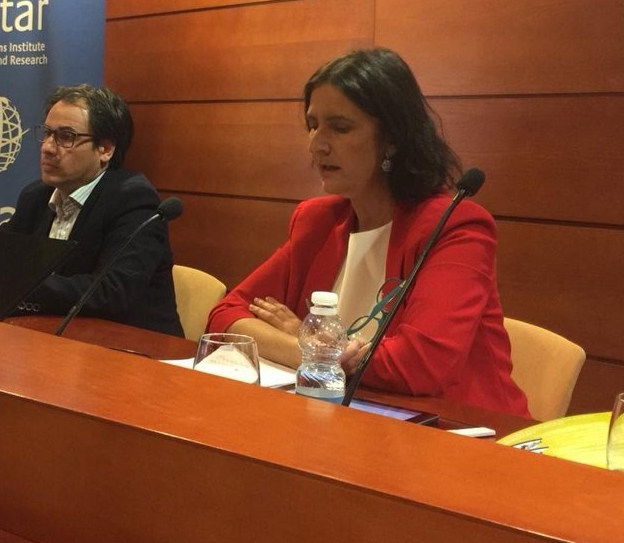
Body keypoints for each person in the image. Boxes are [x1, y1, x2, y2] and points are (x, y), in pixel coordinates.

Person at [206, 49, 528, 415]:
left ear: (392, 138)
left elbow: (418, 367)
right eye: (313, 124)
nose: (317, 144)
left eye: (340, 127)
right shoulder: (317, 221)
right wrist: (309, 349)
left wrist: (305, 338)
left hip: (456, 430)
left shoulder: (456, 227)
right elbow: (225, 316)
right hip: (343, 418)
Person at [0, 84, 184, 337]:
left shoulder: (134, 201)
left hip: (133, 347)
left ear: (105, 149)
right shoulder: (35, 197)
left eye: (66, 137)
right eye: (47, 133)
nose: (48, 147)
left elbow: (111, 291)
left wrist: (16, 283)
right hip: (55, 339)